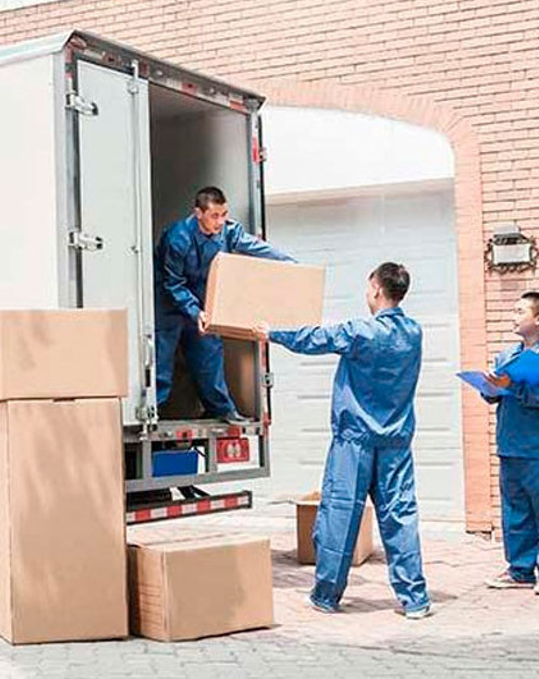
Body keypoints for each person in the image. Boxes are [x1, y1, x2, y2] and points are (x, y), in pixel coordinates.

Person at [252, 262, 431, 619]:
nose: (367, 294)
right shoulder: (414, 332)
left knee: (341, 515)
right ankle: (415, 599)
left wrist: (272, 333)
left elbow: (316, 339)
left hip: (356, 441)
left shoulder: (361, 332)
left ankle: (326, 595)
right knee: (400, 516)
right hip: (395, 441)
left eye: (369, 287)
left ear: (378, 289)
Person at [154, 186, 293, 423]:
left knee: (209, 352)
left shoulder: (228, 232)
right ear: (198, 213)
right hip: (170, 300)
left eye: (224, 214)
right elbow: (173, 282)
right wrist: (194, 311)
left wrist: (289, 263)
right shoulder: (178, 238)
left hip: (201, 298)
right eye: (214, 216)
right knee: (162, 356)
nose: (220, 221)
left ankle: (221, 410)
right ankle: (154, 409)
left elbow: (256, 247)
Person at [480, 292, 539, 596]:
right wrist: (491, 386)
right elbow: (492, 396)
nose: (513, 314)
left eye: (520, 310)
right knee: (515, 511)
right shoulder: (506, 357)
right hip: (510, 445)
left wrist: (512, 386)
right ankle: (520, 569)